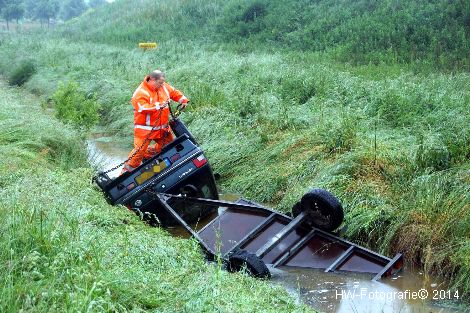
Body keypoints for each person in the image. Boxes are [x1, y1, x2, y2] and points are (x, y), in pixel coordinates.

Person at [121, 70, 189, 174]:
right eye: (160, 82)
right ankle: (124, 176)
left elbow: (174, 92)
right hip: (145, 130)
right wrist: (158, 105)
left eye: (163, 82)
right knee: (138, 152)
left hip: (162, 129)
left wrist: (183, 100)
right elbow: (141, 108)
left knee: (168, 148)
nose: (162, 85)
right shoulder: (140, 92)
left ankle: (156, 163)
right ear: (152, 80)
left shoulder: (163, 86)